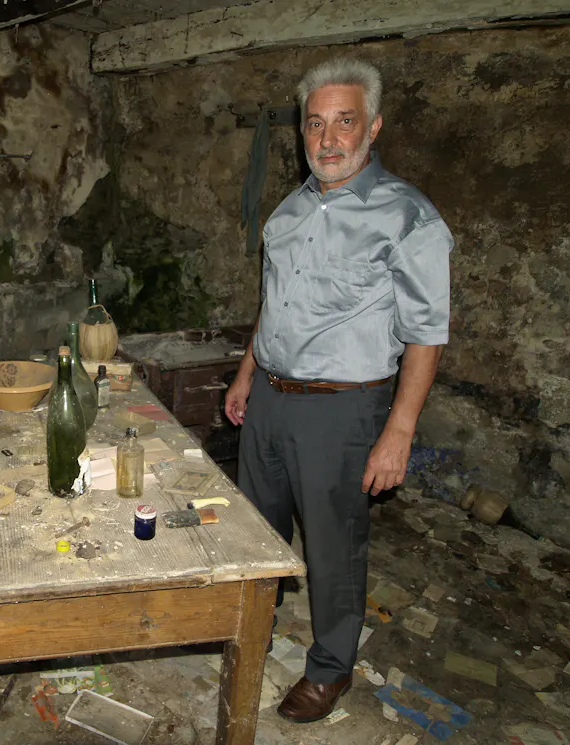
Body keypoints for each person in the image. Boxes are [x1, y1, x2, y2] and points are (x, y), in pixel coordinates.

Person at [224, 58, 452, 723]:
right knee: (257, 528)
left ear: (372, 127)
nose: (327, 140)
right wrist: (246, 373)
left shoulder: (408, 216)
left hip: (342, 407)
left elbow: (426, 333)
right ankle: (254, 625)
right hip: (270, 397)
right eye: (315, 124)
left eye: (344, 122)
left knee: (332, 547)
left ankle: (329, 668)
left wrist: (399, 431)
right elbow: (274, 303)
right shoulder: (290, 211)